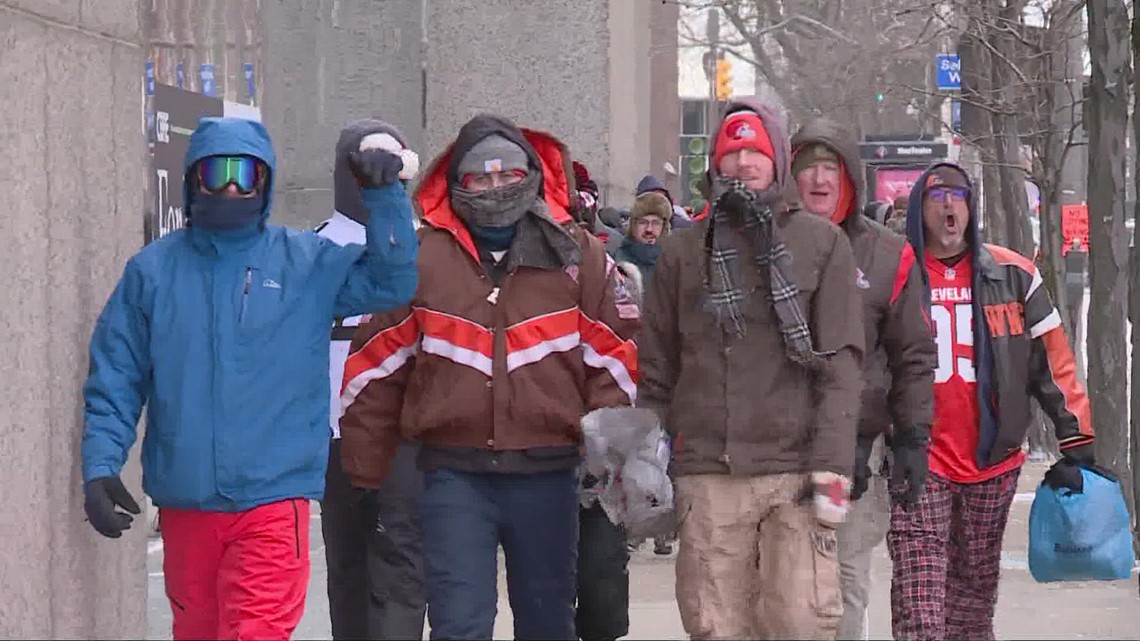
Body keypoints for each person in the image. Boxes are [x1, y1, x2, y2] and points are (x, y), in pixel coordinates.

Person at [80, 117, 418, 640]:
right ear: (195, 179)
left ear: (266, 180)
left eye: (246, 174)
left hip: (273, 500)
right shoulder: (152, 273)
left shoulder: (305, 262)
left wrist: (385, 196)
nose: (233, 188)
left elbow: (391, 280)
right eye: (219, 174)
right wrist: (101, 466)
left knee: (255, 632)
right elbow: (116, 377)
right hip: (187, 500)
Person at [337, 114, 640, 641]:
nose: (496, 188)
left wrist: (611, 469)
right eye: (481, 177)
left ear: (531, 176)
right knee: (459, 626)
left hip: (549, 472)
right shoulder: (422, 258)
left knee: (548, 624)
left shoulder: (579, 256)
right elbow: (373, 367)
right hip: (454, 475)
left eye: (508, 175)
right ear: (456, 183)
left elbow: (619, 363)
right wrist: (366, 474)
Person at [638, 98, 865, 640]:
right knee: (716, 626)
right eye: (731, 151)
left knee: (802, 621)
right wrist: (646, 461)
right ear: (714, 163)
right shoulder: (681, 252)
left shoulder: (821, 242)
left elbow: (841, 366)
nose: (742, 163)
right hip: (708, 473)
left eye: (755, 151)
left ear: (777, 161)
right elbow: (657, 367)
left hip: (797, 470)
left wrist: (834, 466)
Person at [891, 162, 1096, 640]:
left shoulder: (1013, 275)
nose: (948, 205)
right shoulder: (898, 274)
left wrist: (1077, 438)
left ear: (971, 207)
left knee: (972, 601)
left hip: (993, 462)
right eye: (936, 196)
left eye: (958, 196)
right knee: (919, 603)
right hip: (920, 459)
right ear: (919, 209)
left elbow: (1053, 361)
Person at [791, 119, 936, 641]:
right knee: (781, 582)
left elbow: (914, 355)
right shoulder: (767, 246)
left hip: (858, 448)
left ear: (850, 178)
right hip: (777, 444)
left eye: (830, 167)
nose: (818, 179)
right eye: (807, 168)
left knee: (842, 576)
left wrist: (913, 438)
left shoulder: (887, 255)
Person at [317, 119, 427, 641]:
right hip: (329, 435)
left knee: (400, 567)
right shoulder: (308, 252)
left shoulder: (419, 251)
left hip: (399, 434)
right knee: (347, 567)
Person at [613, 191, 671, 291]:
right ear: (633, 226)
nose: (649, 229)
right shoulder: (619, 261)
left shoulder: (674, 262)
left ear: (664, 227)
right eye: (643, 223)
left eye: (656, 223)